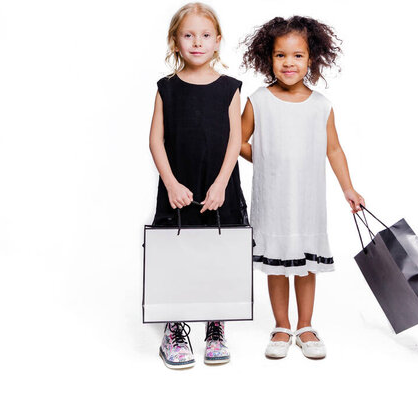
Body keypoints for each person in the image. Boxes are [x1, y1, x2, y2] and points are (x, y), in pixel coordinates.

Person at [240, 16, 365, 359]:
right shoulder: (259, 100)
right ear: (269, 58)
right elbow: (237, 140)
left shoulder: (321, 106)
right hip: (273, 200)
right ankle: (282, 326)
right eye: (281, 56)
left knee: (307, 265)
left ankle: (305, 325)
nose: (289, 63)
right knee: (277, 265)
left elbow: (333, 149)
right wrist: (266, 158)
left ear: (311, 59)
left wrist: (349, 189)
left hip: (308, 201)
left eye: (297, 56)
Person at [149, 2, 248, 369]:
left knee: (218, 251)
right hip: (179, 186)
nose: (197, 42)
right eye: (188, 35)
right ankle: (174, 327)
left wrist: (222, 184)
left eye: (205, 35)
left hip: (218, 186)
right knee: (177, 252)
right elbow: (156, 141)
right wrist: (171, 182)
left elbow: (235, 140)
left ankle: (215, 324)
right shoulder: (166, 88)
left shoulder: (230, 88)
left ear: (218, 41)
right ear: (175, 41)